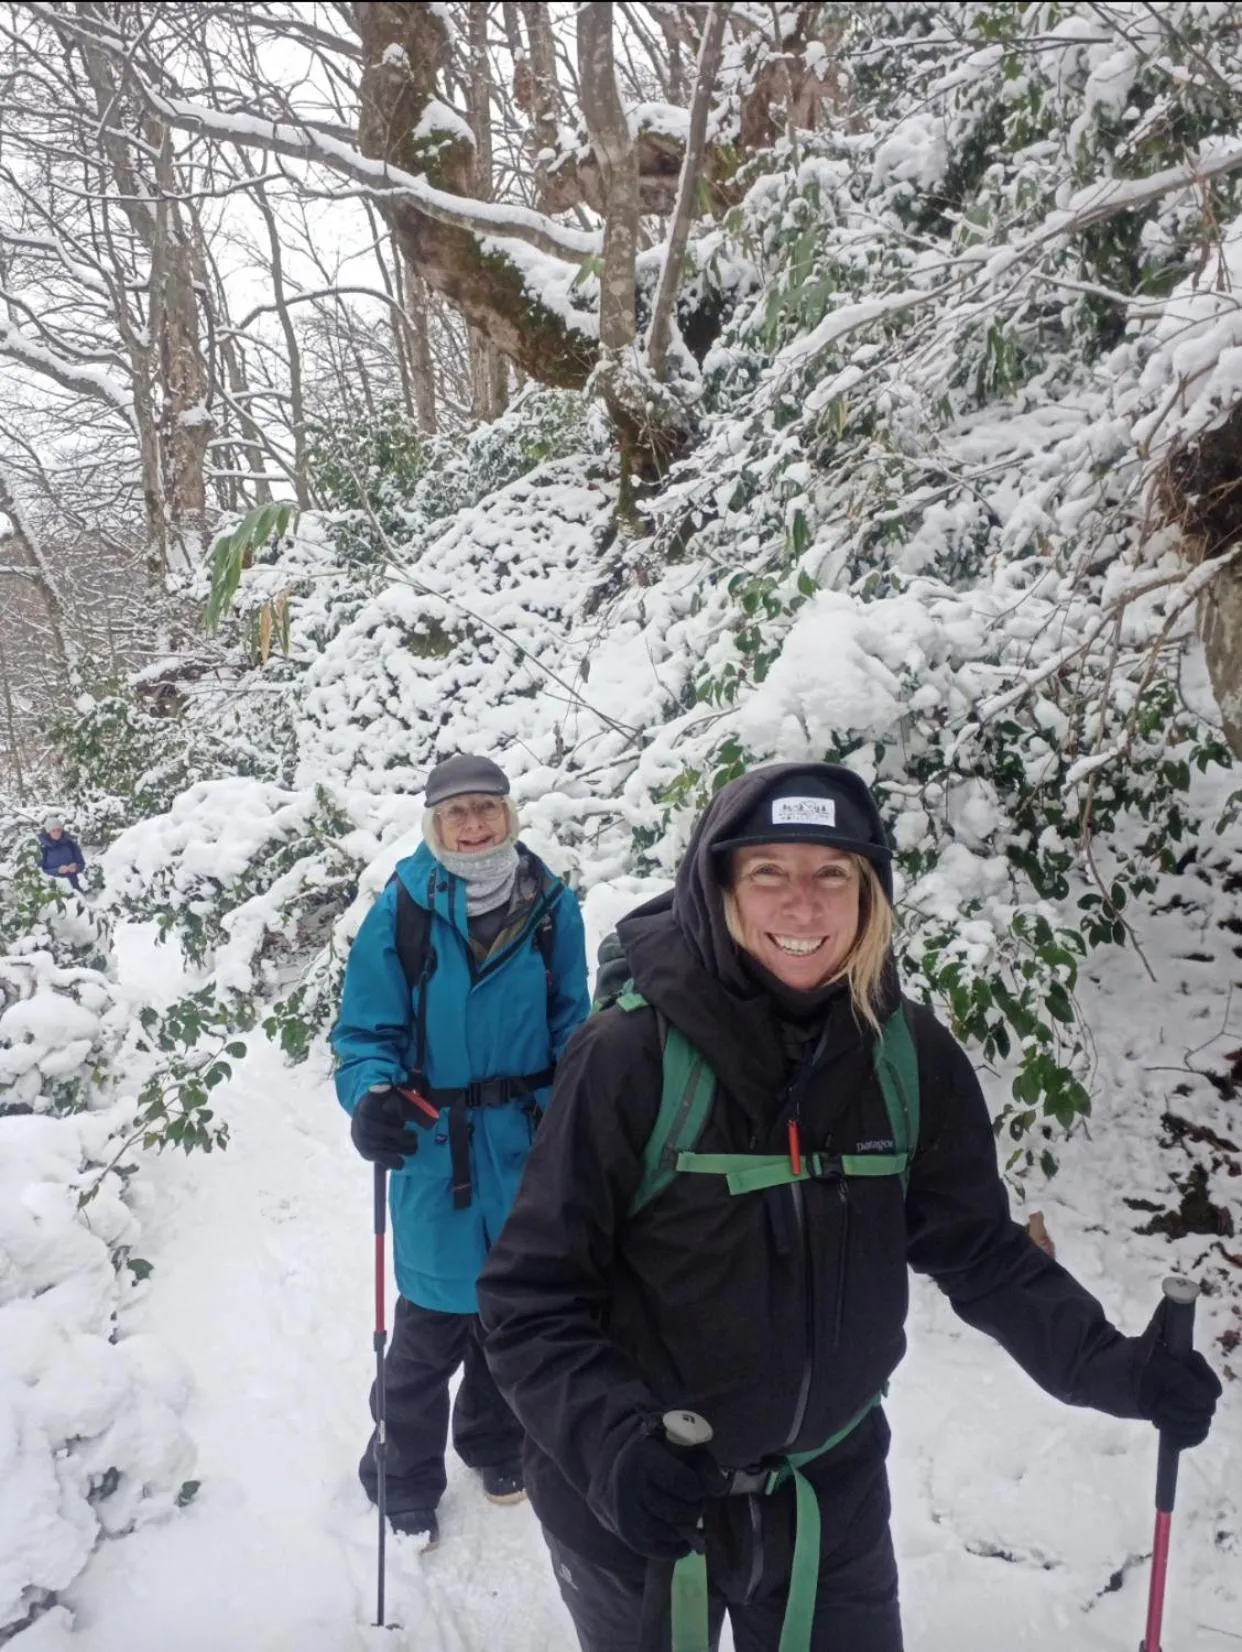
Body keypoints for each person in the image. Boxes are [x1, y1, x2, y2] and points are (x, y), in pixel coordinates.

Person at [477, 761, 1221, 1652]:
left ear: (870, 894)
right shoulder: (630, 1058)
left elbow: (979, 1251)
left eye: (833, 873)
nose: (804, 905)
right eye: (769, 873)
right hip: (641, 1505)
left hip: (828, 1499)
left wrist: (1115, 1369)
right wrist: (611, 1448)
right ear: (718, 888)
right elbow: (528, 1300)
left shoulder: (907, 1058)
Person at [331, 753, 590, 1550]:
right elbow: (364, 1033)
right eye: (458, 814)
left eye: (487, 809)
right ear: (433, 824)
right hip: (433, 1148)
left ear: (509, 816)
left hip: (526, 1146)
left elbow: (573, 1026)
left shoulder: (550, 905)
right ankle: (401, 1475)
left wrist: (578, 1117)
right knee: (428, 1333)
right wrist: (371, 1097)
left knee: (508, 1316)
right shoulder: (404, 907)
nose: (475, 826)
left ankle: (494, 1442)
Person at [38, 815, 85, 891]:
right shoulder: (42, 847)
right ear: (48, 832)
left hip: (74, 886)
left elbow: (81, 864)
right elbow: (40, 871)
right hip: (54, 889)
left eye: (58, 830)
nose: (56, 832)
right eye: (53, 830)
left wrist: (76, 867)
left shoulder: (70, 844)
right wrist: (57, 871)